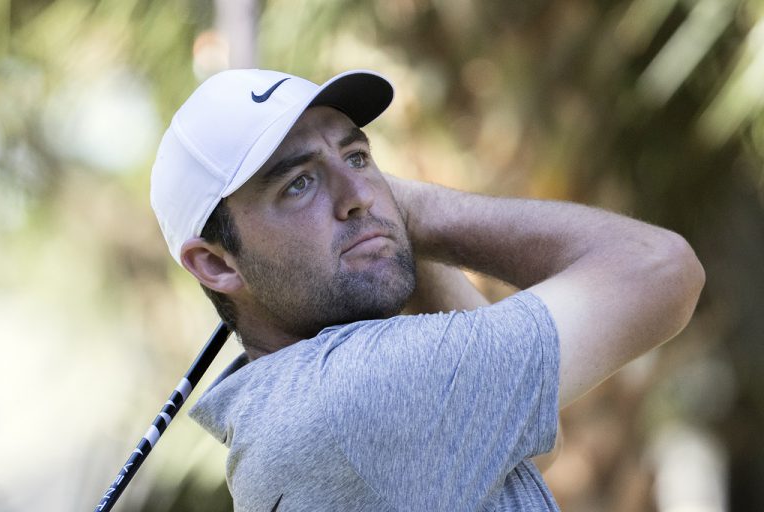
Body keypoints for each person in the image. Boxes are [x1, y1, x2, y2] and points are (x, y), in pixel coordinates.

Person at [150, 69, 704, 511]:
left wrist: (378, 230)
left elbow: (536, 445)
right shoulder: (351, 394)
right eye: (299, 183)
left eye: (357, 157)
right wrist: (414, 213)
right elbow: (659, 267)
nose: (359, 194)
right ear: (215, 265)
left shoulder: (289, 409)